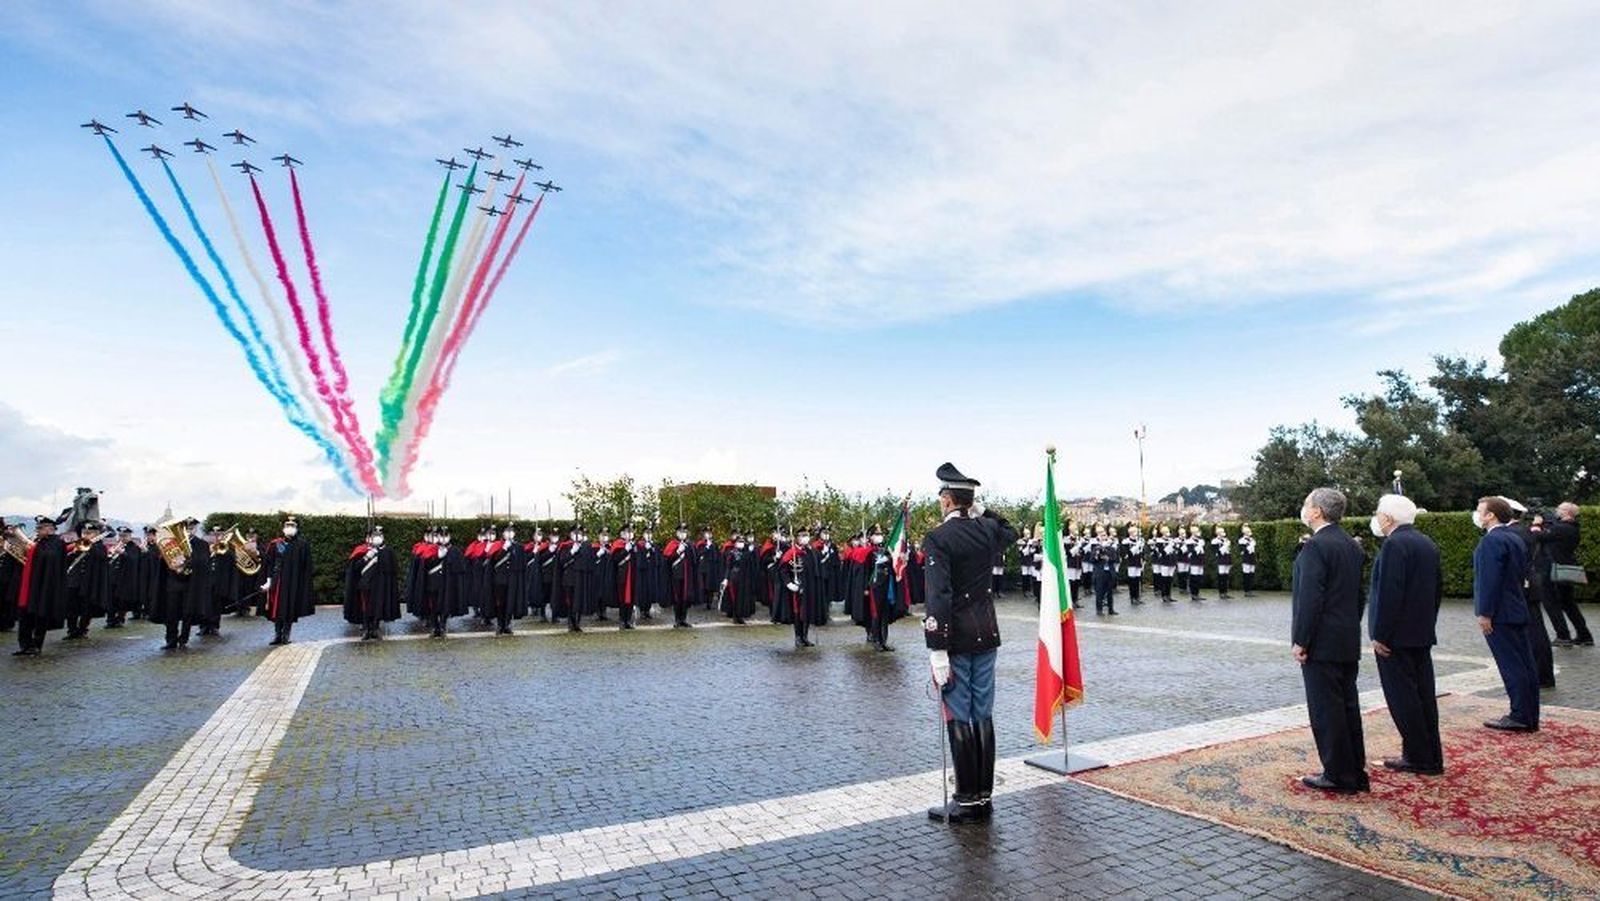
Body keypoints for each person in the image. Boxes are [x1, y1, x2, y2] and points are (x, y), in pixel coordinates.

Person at [926, 462, 1016, 824]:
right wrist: (981, 509)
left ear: (948, 500)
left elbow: (939, 596)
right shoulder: (987, 530)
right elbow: (1010, 530)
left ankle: (966, 800)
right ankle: (983, 797)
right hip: (986, 632)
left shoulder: (939, 538)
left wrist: (937, 647)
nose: (940, 503)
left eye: (942, 497)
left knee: (960, 711)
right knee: (983, 712)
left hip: (958, 638)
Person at [1291, 487, 1368, 794]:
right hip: (1346, 637)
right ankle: (1355, 771)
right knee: (1348, 707)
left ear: (1317, 512)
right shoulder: (1351, 545)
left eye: (1306, 504)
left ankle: (1337, 773)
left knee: (1327, 710)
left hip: (1322, 641)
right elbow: (1359, 596)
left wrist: (1301, 640)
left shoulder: (1315, 547)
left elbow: (1310, 599)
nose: (1304, 509)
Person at [1367, 494, 1444, 775]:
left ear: (1387, 518)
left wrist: (1381, 634)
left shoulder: (1394, 545)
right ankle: (1431, 755)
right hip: (1420, 632)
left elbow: (1390, 592)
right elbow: (1437, 590)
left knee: (1403, 698)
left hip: (1396, 637)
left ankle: (1418, 756)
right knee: (1424, 696)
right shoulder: (1426, 542)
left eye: (1379, 513)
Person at [1472, 496, 1540, 732]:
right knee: (1525, 664)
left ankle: (1519, 715)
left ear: (1490, 515)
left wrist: (1484, 612)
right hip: (1516, 606)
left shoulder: (1492, 541)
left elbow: (1489, 580)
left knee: (1511, 665)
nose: (1477, 514)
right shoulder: (1514, 537)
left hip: (1500, 612)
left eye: (1480, 510)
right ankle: (1529, 714)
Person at [1509, 505, 1557, 688]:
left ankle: (1540, 675)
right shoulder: (1525, 531)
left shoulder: (1516, 533)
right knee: (1537, 631)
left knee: (1534, 633)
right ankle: (1543, 675)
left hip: (1524, 587)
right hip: (1531, 585)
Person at [1534, 503, 1590, 647]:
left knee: (1550, 602)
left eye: (1559, 509)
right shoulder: (1573, 528)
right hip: (1565, 568)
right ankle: (1584, 635)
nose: (1556, 511)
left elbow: (1537, 536)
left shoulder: (1560, 528)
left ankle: (1563, 636)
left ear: (1566, 512)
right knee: (1568, 603)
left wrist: (1536, 524)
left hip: (1552, 570)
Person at [14, 516, 67, 656]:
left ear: (50, 529)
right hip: (29, 583)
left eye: (40, 528)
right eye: (37, 528)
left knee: (40, 616)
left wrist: (32, 547)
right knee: (24, 615)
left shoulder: (58, 543)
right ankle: (25, 645)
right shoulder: (39, 542)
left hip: (44, 586)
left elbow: (50, 558)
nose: (37, 531)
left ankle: (37, 645)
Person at [261, 516, 314, 645]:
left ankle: (286, 635)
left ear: (297, 528)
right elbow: (269, 563)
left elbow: (306, 567)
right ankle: (277, 634)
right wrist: (268, 580)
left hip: (293, 582)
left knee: (289, 608)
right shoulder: (275, 544)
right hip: (277, 581)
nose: (290, 528)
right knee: (276, 609)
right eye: (287, 525)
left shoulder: (302, 545)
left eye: (292, 525)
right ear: (283, 528)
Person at [344, 525, 398, 640]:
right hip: (365, 583)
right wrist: (366, 557)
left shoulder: (387, 551)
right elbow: (355, 568)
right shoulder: (362, 550)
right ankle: (366, 629)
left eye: (379, 536)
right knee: (365, 606)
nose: (377, 538)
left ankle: (375, 628)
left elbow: (391, 569)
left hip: (380, 584)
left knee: (378, 606)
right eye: (374, 536)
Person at [1121, 525, 1146, 605]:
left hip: (1138, 562)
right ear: (1131, 533)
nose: (1137, 534)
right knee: (1132, 580)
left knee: (1137, 580)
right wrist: (1137, 546)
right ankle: (1132, 597)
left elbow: (1142, 552)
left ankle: (1137, 597)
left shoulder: (1139, 541)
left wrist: (1143, 559)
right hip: (1131, 563)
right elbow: (1127, 554)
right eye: (1135, 532)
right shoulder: (1126, 542)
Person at [1211, 525, 1234, 600]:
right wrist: (1225, 545)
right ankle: (1221, 593)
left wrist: (1227, 544)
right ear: (1218, 533)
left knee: (1226, 576)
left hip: (1227, 558)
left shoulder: (1226, 540)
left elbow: (1229, 550)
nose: (1223, 533)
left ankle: (1225, 592)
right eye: (1221, 532)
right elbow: (1218, 551)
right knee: (1221, 576)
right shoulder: (1215, 541)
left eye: (1223, 531)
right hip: (1221, 559)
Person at [1239, 525, 1259, 597]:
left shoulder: (1252, 539)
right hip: (1246, 558)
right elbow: (1243, 550)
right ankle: (1246, 591)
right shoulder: (1242, 540)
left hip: (1252, 558)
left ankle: (1250, 590)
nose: (1250, 533)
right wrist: (1250, 546)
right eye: (1248, 532)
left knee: (1251, 574)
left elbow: (1255, 550)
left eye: (1250, 531)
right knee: (1246, 575)